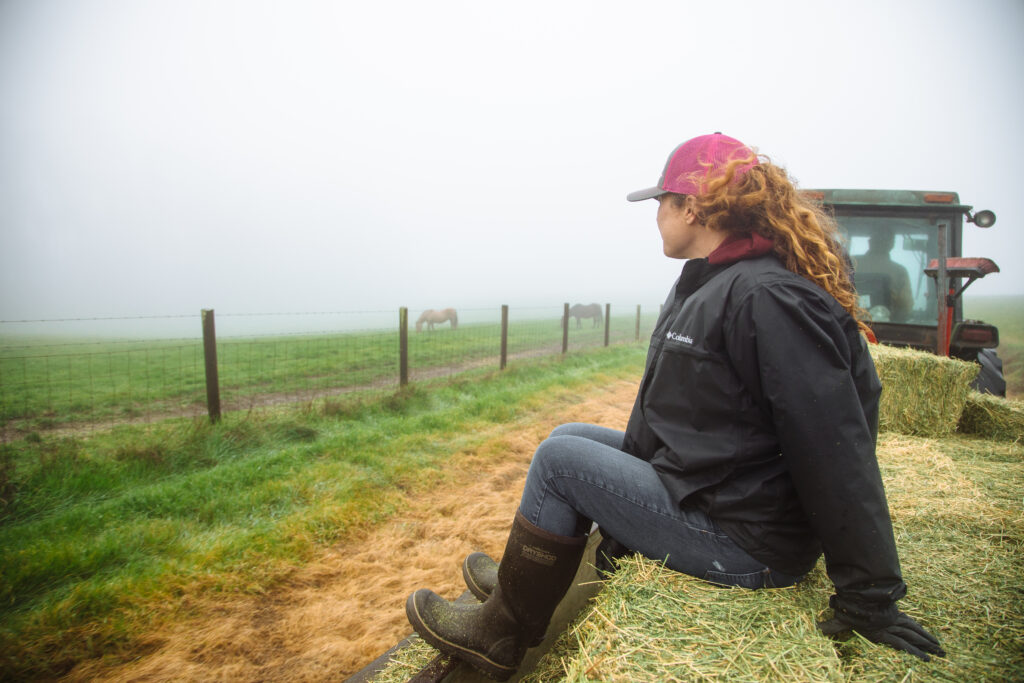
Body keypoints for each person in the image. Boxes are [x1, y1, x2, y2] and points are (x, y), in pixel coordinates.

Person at [404, 133, 945, 681]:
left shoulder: (765, 297)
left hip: (747, 540)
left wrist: (869, 595)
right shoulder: (711, 282)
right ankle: (524, 587)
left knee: (560, 462)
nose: (656, 214)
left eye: (661, 201)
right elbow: (680, 419)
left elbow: (836, 448)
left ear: (693, 206)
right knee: (572, 435)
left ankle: (501, 635)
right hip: (722, 491)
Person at [853, 232, 914, 321]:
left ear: (870, 242)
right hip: (887, 329)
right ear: (891, 245)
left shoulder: (850, 262)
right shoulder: (899, 271)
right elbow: (906, 305)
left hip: (845, 326)